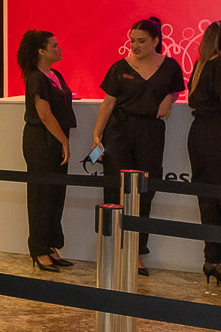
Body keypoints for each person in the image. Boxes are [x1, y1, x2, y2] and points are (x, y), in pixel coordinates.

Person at [92, 16, 185, 275]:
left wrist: (169, 97)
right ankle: (112, 248)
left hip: (150, 133)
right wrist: (96, 135)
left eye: (141, 41)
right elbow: (108, 103)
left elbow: (176, 89)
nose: (135, 45)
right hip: (119, 132)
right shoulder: (119, 67)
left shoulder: (170, 66)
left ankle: (137, 252)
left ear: (156, 41)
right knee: (115, 190)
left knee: (144, 192)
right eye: (132, 40)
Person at [17, 30, 76, 272]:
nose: (59, 49)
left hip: (56, 139)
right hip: (41, 141)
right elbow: (44, 114)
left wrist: (62, 140)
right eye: (54, 45)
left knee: (55, 194)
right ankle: (38, 248)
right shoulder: (36, 78)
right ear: (41, 51)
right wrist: (64, 141)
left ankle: (51, 245)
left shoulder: (55, 75)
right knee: (41, 195)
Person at [187, 20, 221, 285]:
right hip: (216, 134)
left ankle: (212, 259)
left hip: (199, 134)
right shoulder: (218, 65)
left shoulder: (200, 65)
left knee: (207, 199)